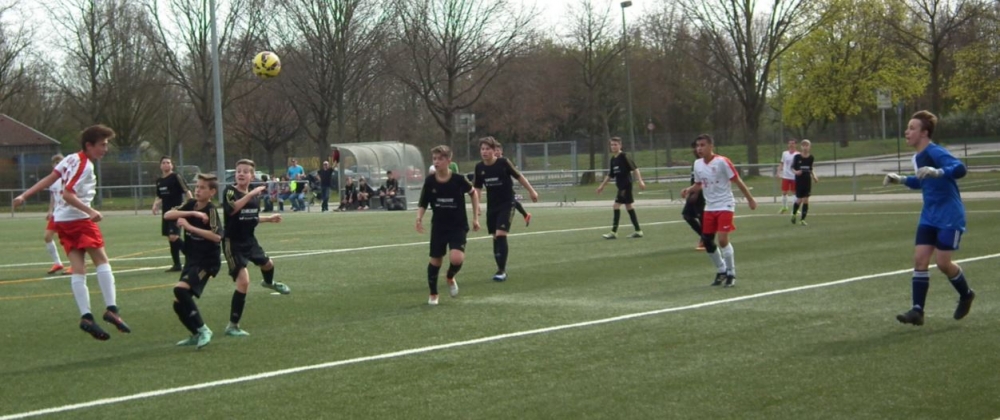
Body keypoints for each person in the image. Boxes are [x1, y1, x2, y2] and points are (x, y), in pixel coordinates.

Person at [13, 124, 131, 340]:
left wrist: (24, 195)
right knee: (102, 261)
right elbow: (68, 194)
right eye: (102, 145)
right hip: (78, 219)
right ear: (89, 145)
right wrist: (90, 211)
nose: (105, 149)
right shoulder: (85, 165)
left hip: (62, 221)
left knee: (78, 268)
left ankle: (86, 316)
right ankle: (112, 309)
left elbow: (50, 178)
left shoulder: (70, 158)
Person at [884, 110, 974, 326]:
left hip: (949, 215)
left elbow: (960, 168)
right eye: (907, 128)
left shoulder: (935, 151)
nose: (907, 132)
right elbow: (922, 180)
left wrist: (939, 171)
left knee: (943, 263)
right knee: (920, 260)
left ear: (924, 133)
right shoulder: (917, 157)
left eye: (912, 128)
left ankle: (966, 294)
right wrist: (902, 179)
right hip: (929, 216)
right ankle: (917, 310)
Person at [222, 159, 289, 337]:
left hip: (249, 240)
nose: (241, 174)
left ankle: (269, 283)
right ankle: (232, 326)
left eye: (245, 171)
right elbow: (232, 210)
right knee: (243, 282)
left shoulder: (253, 195)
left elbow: (250, 216)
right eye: (238, 171)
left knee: (268, 264)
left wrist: (269, 219)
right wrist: (250, 194)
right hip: (233, 243)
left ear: (252, 176)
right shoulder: (230, 191)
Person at [681, 134, 757, 288]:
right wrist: (689, 189)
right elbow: (699, 184)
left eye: (702, 145)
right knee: (707, 240)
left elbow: (737, 180)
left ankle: (731, 273)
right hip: (709, 207)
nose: (699, 148)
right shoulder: (697, 164)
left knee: (722, 240)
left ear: (711, 146)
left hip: (725, 205)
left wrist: (750, 199)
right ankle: (721, 270)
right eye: (697, 146)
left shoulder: (722, 162)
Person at [164, 173, 223, 349]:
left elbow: (217, 237)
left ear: (212, 192)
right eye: (197, 187)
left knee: (180, 290)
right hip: (192, 259)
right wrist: (192, 213)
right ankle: (196, 334)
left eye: (202, 188)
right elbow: (168, 214)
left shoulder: (211, 211)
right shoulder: (191, 204)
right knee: (178, 303)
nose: (197, 190)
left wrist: (190, 227)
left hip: (207, 262)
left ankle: (204, 330)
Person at [417, 145, 481, 305]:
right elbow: (423, 202)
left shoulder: (459, 179)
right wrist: (419, 218)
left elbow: (473, 194)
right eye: (434, 159)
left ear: (448, 161)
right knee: (435, 260)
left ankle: (450, 276)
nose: (436, 162)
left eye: (440, 159)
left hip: (458, 225)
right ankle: (433, 294)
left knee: (456, 258)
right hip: (439, 226)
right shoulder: (430, 181)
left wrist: (475, 217)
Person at [474, 137, 539, 282]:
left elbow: (519, 176)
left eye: (487, 149)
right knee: (495, 237)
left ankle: (501, 271)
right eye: (482, 149)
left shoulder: (503, 163)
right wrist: (477, 205)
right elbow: (477, 188)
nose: (484, 152)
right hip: (492, 207)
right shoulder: (479, 167)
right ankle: (499, 268)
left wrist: (532, 191)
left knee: (501, 234)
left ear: (494, 150)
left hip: (507, 204)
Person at [596, 137, 646, 239]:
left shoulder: (624, 156)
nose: (613, 147)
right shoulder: (613, 159)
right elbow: (610, 175)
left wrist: (640, 181)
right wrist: (602, 186)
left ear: (620, 145)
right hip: (621, 186)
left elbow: (635, 169)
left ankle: (613, 232)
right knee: (629, 206)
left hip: (625, 185)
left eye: (615, 144)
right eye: (612, 145)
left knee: (616, 205)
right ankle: (638, 231)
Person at [153, 155, 193, 272]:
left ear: (172, 165)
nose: (166, 164)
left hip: (176, 211)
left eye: (168, 162)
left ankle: (193, 256)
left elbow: (186, 191)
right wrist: (155, 205)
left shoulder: (176, 177)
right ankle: (177, 264)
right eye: (164, 163)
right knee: (170, 239)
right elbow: (159, 196)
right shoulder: (159, 181)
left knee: (174, 236)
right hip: (166, 213)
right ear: (160, 166)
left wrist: (191, 204)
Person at [43, 154, 71, 275]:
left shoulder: (68, 178)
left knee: (69, 239)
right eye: (56, 162)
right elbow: (53, 197)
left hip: (67, 213)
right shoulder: (53, 180)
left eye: (60, 162)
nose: (58, 164)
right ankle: (57, 263)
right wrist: (50, 210)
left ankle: (75, 264)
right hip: (57, 213)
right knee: (47, 236)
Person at [495, 144, 532, 226]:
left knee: (512, 201)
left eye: (498, 150)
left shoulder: (505, 161)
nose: (496, 152)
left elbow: (515, 173)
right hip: (497, 188)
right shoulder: (493, 162)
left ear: (501, 151)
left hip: (506, 186)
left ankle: (524, 215)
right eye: (495, 150)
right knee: (512, 202)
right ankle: (525, 215)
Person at [681, 141, 706, 251]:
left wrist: (696, 193)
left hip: (702, 194)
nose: (696, 150)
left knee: (702, 217)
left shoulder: (706, 162)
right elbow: (696, 181)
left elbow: (704, 181)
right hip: (693, 193)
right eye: (695, 147)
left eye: (699, 146)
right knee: (687, 215)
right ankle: (705, 237)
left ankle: (705, 240)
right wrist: (689, 190)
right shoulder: (696, 163)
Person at [790, 139, 819, 225]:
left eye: (807, 145)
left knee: (806, 200)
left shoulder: (811, 158)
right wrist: (796, 172)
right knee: (799, 200)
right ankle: (794, 214)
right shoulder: (797, 157)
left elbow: (811, 168)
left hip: (807, 181)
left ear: (810, 147)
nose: (805, 147)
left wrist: (814, 176)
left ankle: (802, 219)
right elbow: (792, 168)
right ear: (801, 147)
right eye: (803, 145)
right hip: (799, 181)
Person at [777, 139, 799, 214]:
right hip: (786, 176)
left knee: (794, 192)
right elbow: (782, 163)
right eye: (790, 143)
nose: (791, 145)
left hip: (794, 176)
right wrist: (778, 172)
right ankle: (784, 207)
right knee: (784, 192)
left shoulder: (798, 154)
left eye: (793, 143)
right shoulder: (784, 153)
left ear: (795, 145)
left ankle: (795, 209)